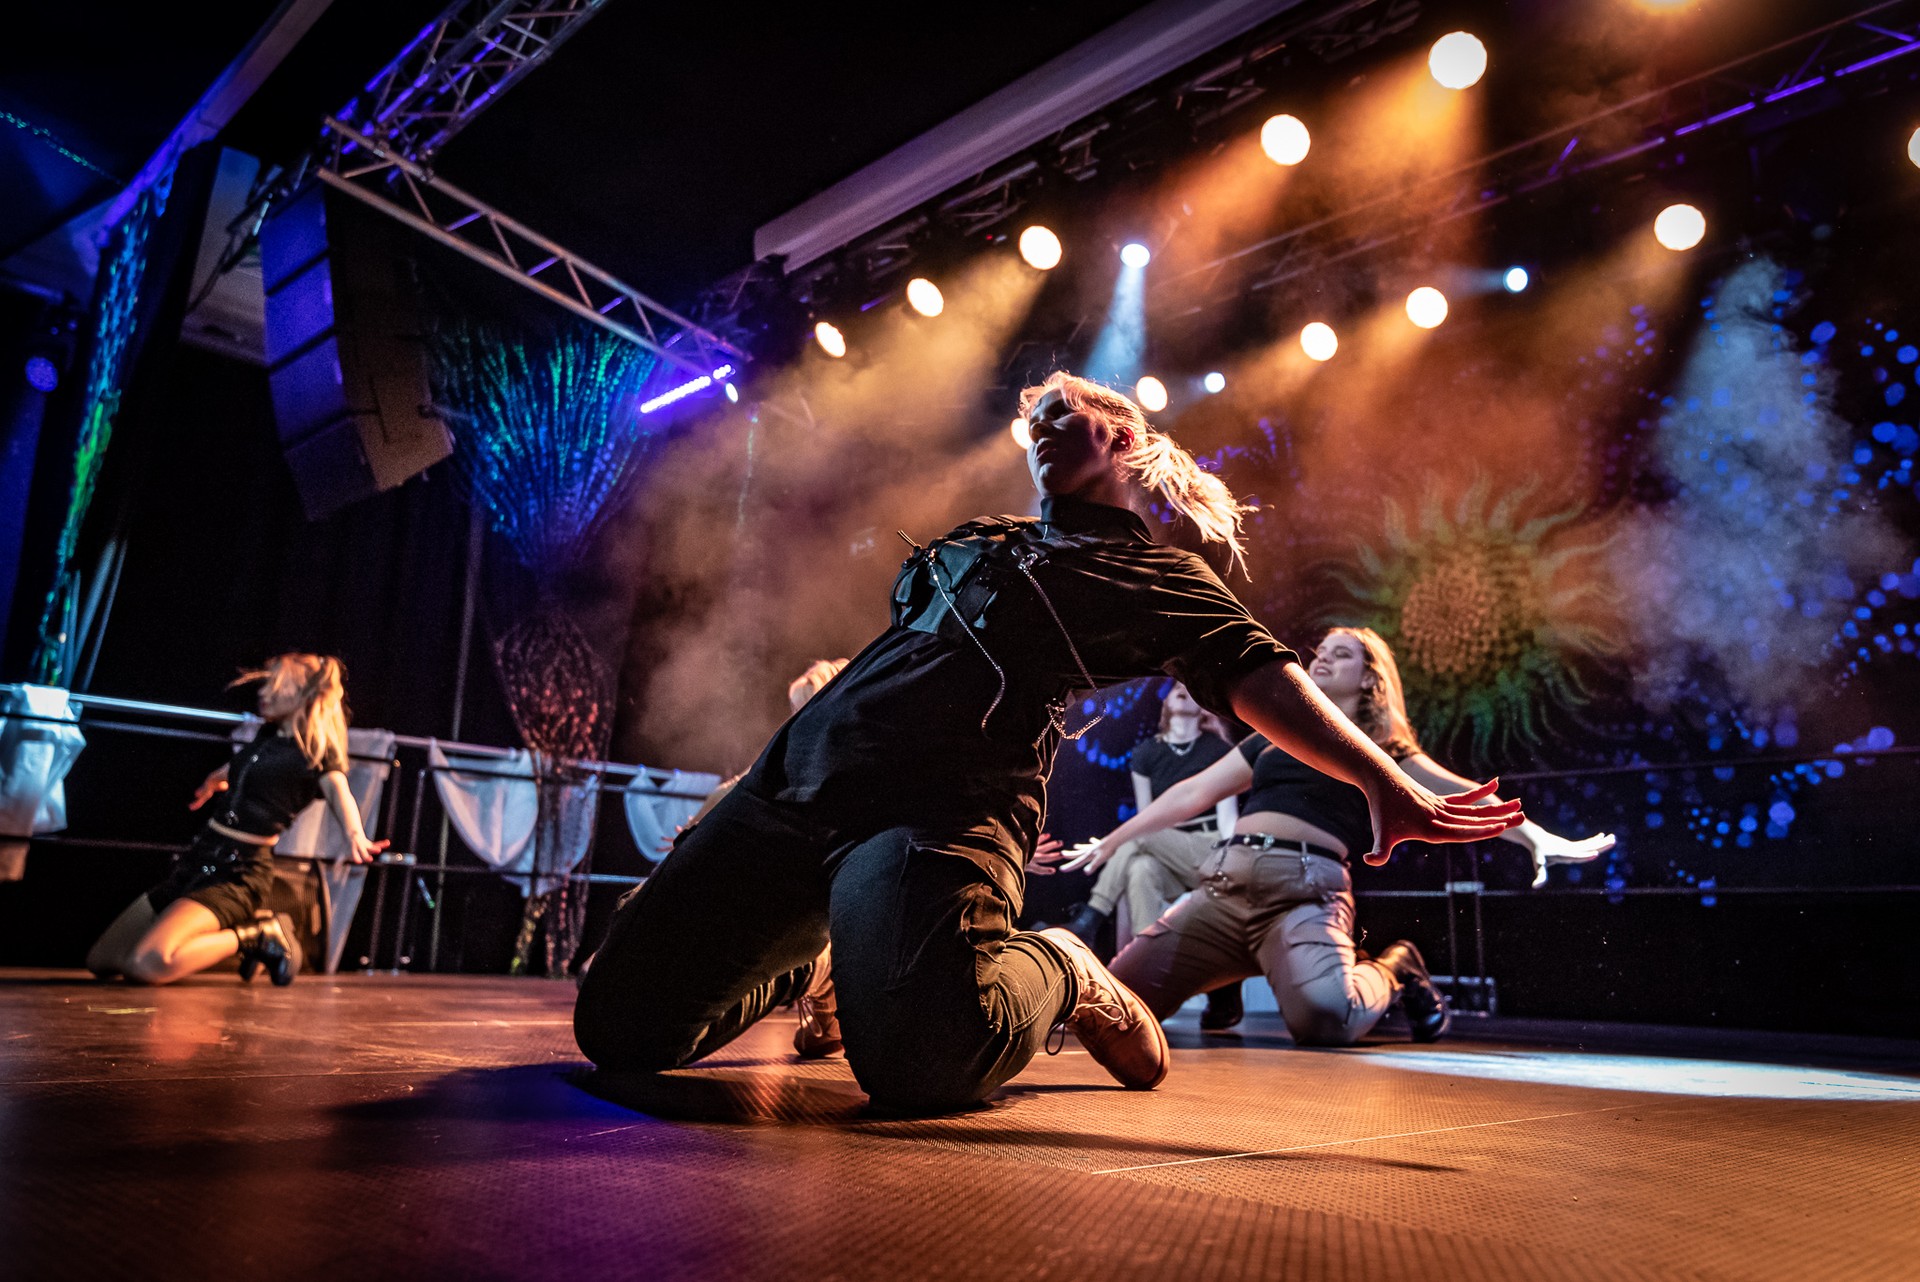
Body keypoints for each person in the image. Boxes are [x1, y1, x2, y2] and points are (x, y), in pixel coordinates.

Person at [573, 372, 1519, 1114]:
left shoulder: (1151, 576)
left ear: (1122, 438)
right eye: (1034, 420)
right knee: (619, 1030)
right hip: (795, 787)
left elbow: (1258, 671)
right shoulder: (985, 535)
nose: (1040, 426)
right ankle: (821, 959)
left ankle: (1062, 966)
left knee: (920, 1070)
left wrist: (1384, 782)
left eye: (1063, 412)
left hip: (931, 817)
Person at [1035, 627, 1613, 1046]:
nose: (1323, 658)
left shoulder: (1385, 748)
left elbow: (1465, 793)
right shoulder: (1273, 736)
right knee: (1112, 1007)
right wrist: (1114, 840)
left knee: (1326, 1022)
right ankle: (1229, 973)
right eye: (1321, 651)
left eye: (1342, 653)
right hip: (1224, 889)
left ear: (1370, 679)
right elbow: (1192, 793)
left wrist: (1534, 836)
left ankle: (1395, 967)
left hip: (1304, 895)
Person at [86, 654, 387, 986]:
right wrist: (215, 779)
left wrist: (355, 834)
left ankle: (257, 935)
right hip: (199, 859)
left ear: (303, 695)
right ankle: (248, 933)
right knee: (102, 961)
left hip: (237, 873)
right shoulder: (268, 735)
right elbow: (244, 767)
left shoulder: (315, 752)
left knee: (145, 965)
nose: (263, 693)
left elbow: (339, 790)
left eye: (275, 686)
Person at [1059, 683, 1233, 944]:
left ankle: (1091, 915)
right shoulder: (1146, 753)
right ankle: (1145, 952)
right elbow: (1146, 816)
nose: (1182, 689)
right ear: (1166, 702)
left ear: (1203, 706)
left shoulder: (1218, 750)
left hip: (1208, 848)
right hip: (1163, 850)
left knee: (1135, 835)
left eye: (1190, 689)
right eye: (1176, 688)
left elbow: (1228, 817)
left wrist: (1229, 863)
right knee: (1141, 869)